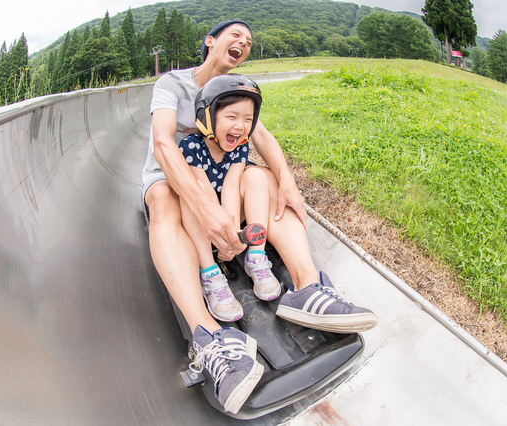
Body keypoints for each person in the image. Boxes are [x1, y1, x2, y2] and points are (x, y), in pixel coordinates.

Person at [142, 20, 377, 413]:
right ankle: (209, 337)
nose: (244, 42)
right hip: (172, 176)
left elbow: (262, 138)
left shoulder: (236, 93)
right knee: (165, 197)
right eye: (236, 35)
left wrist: (287, 183)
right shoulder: (174, 83)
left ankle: (306, 288)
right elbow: (163, 142)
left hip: (223, 180)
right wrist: (205, 208)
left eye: (249, 40)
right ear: (211, 41)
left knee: (264, 178)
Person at [178, 74, 281, 324]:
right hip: (203, 221)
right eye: (231, 117)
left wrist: (233, 233)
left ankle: (255, 257)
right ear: (208, 116)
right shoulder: (190, 147)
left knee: (255, 176)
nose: (240, 126)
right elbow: (206, 196)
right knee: (192, 195)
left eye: (248, 119)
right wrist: (222, 237)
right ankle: (210, 273)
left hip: (229, 214)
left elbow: (232, 187)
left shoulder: (239, 147)